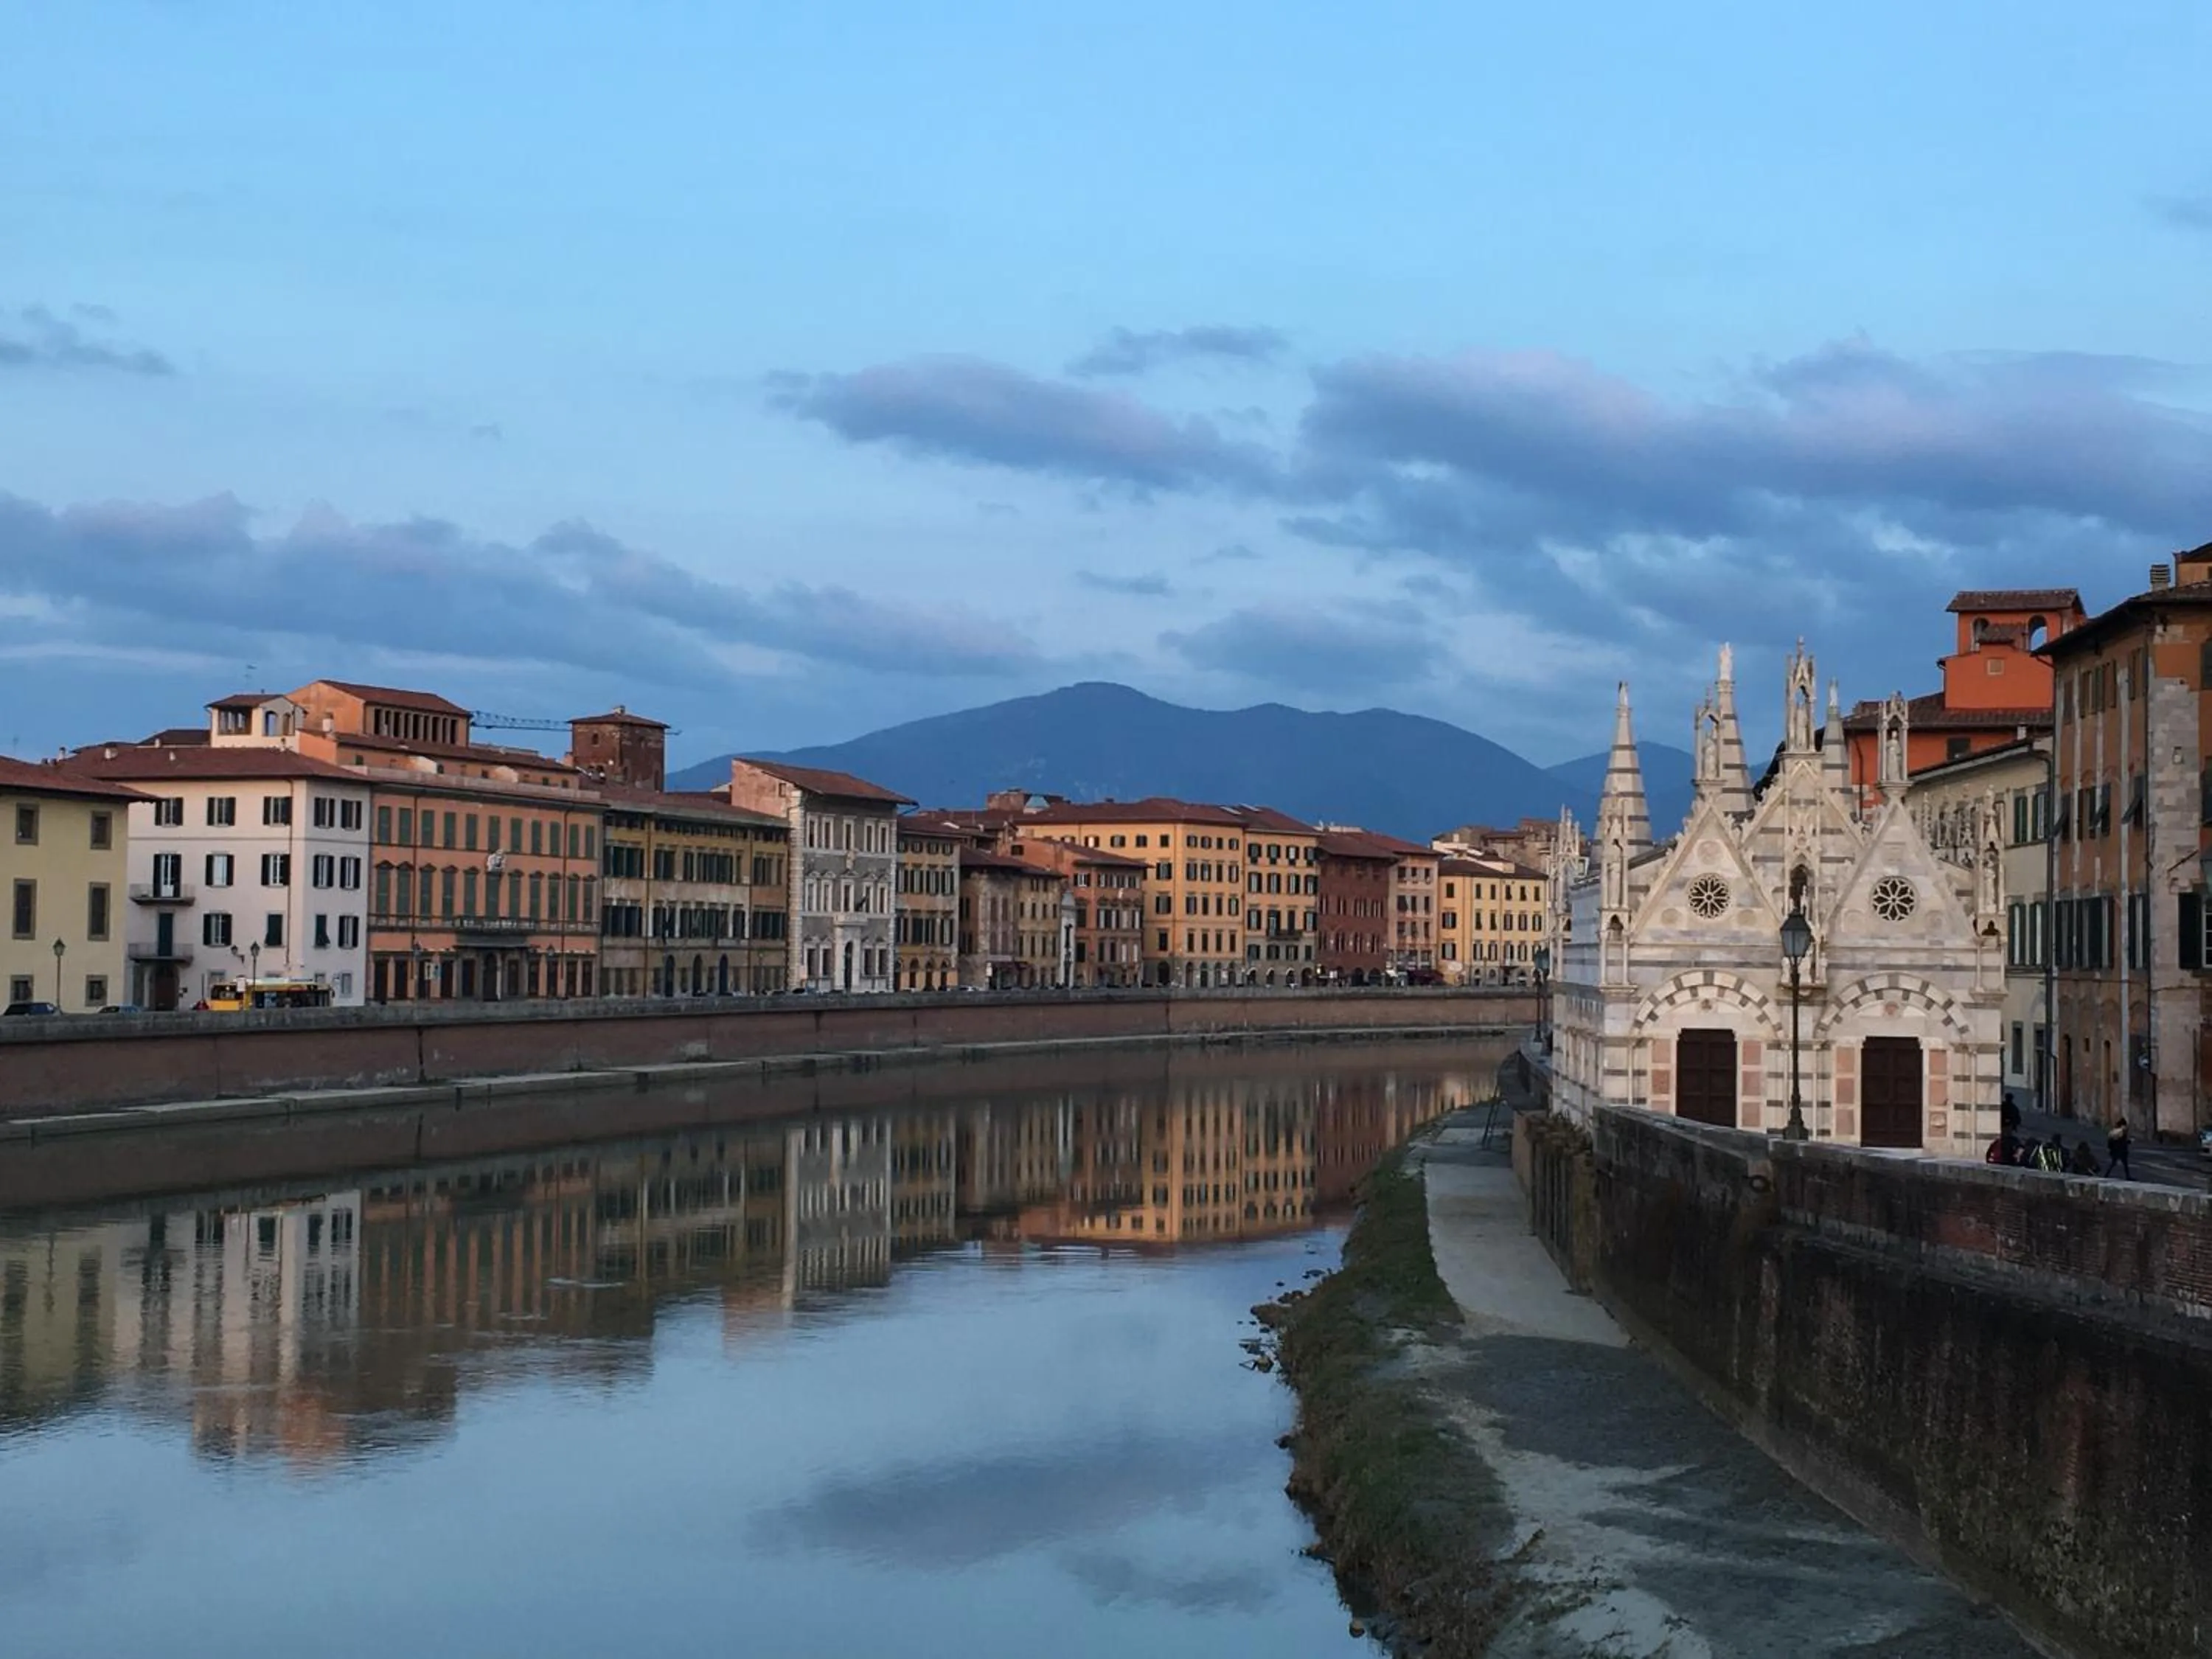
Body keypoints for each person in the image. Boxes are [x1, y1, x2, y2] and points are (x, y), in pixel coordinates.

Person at [2106, 1116, 2133, 1180]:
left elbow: (2110, 1141)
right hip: (2121, 1150)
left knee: (2114, 1163)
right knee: (2124, 1164)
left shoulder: (2113, 1131)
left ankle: (2106, 1175)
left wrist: (2110, 1148)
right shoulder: (2122, 1131)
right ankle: (2128, 1176)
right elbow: (2123, 1141)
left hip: (2114, 1150)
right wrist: (2129, 1142)